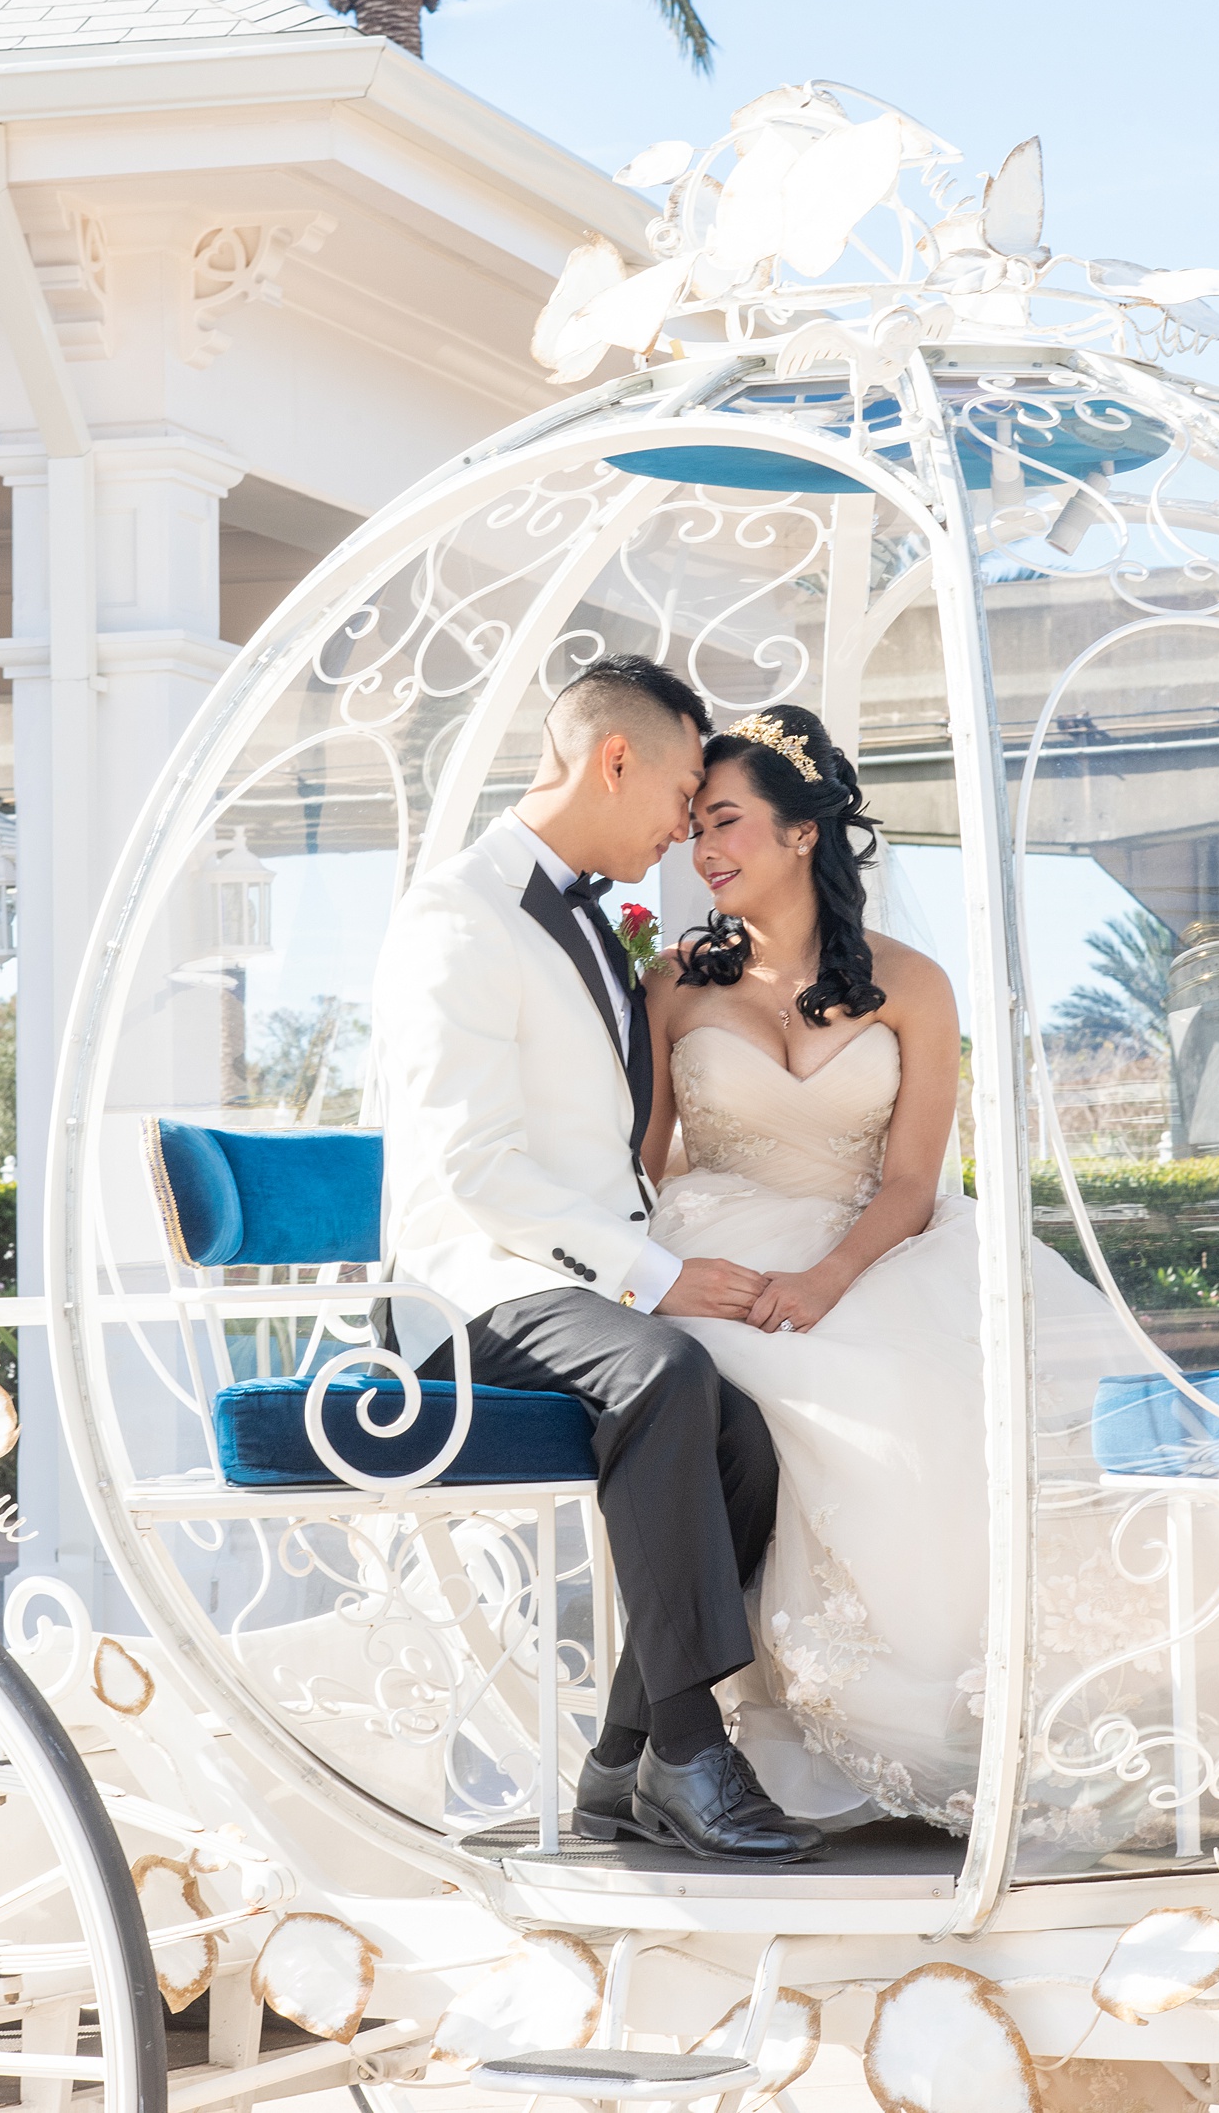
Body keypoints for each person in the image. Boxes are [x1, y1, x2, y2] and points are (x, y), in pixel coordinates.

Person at [641, 702, 1139, 1830]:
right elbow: (637, 1163)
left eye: (725, 822)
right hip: (714, 1249)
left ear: (802, 831)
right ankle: (734, 1732)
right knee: (788, 1396)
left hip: (868, 1251)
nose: (704, 851)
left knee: (925, 1396)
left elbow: (913, 1183)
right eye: (693, 831)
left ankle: (945, 1717)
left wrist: (827, 1280)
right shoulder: (670, 988)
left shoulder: (911, 985)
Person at [371, 655, 824, 1862]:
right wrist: (652, 1279)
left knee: (746, 1441)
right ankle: (687, 1750)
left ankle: (620, 1763)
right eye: (683, 788)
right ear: (614, 760)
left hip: (569, 1280)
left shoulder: (600, 919)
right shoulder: (456, 917)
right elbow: (471, 1172)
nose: (687, 824)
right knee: (664, 1376)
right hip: (468, 1286)